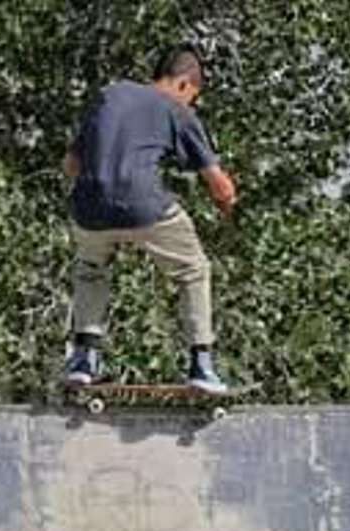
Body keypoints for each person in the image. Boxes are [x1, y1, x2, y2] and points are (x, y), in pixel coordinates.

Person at [62, 45, 238, 393]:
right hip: (144, 205)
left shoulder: (109, 94)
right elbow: (219, 185)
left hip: (87, 205)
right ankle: (201, 364)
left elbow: (70, 165)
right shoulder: (177, 109)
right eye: (193, 98)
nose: (190, 106)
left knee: (90, 267)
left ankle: (84, 357)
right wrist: (230, 207)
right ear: (185, 85)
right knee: (193, 269)